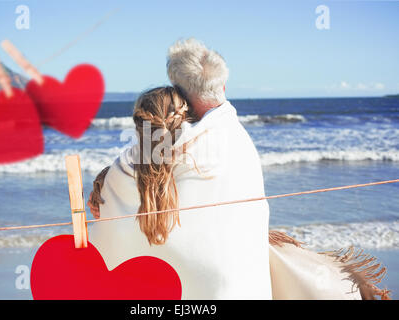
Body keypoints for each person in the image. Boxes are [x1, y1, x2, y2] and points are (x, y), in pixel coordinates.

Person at [88, 39, 391, 300]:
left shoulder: (159, 150)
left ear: (177, 91)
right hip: (241, 285)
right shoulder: (237, 138)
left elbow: (125, 184)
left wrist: (105, 180)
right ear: (223, 86)